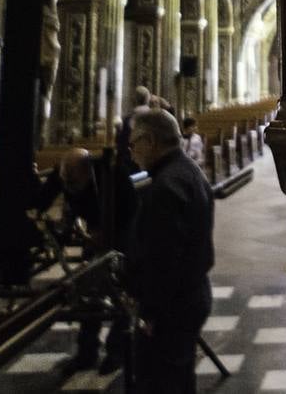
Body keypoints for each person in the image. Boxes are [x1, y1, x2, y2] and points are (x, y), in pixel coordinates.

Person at [126, 108, 214, 393]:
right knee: (178, 378)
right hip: (191, 294)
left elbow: (163, 259)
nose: (131, 151)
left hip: (171, 307)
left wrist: (150, 312)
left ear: (150, 140)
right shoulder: (186, 171)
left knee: (160, 381)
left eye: (133, 143)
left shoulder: (166, 187)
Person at [35, 148, 135, 374]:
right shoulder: (63, 174)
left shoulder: (112, 173)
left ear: (88, 172)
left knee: (124, 290)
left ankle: (116, 351)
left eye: (75, 182)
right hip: (92, 233)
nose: (70, 188)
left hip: (122, 232)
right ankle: (87, 351)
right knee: (89, 290)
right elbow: (41, 200)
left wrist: (108, 232)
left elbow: (131, 208)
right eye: (66, 182)